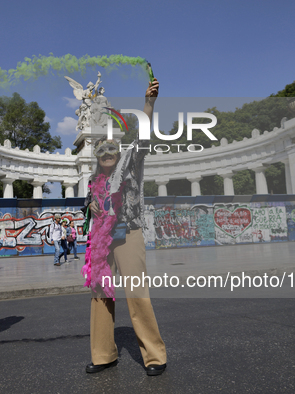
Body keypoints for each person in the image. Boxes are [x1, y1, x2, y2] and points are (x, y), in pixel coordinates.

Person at [82, 78, 167, 376]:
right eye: (102, 152)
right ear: (97, 157)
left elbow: (143, 137)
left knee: (136, 292)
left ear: (118, 153)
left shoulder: (131, 164)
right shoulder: (94, 181)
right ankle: (103, 353)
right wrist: (90, 207)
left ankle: (155, 355)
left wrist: (149, 103)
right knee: (100, 293)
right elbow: (91, 208)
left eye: (111, 151)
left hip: (128, 234)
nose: (107, 155)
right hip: (102, 241)